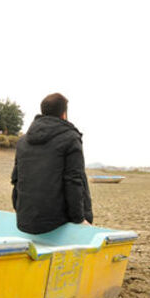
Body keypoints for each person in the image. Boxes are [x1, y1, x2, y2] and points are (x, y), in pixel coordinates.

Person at [11, 93, 93, 234]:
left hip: (25, 221)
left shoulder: (23, 141)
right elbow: (73, 181)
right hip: (55, 222)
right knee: (77, 178)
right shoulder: (71, 138)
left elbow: (16, 180)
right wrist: (79, 219)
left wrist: (20, 212)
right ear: (63, 114)